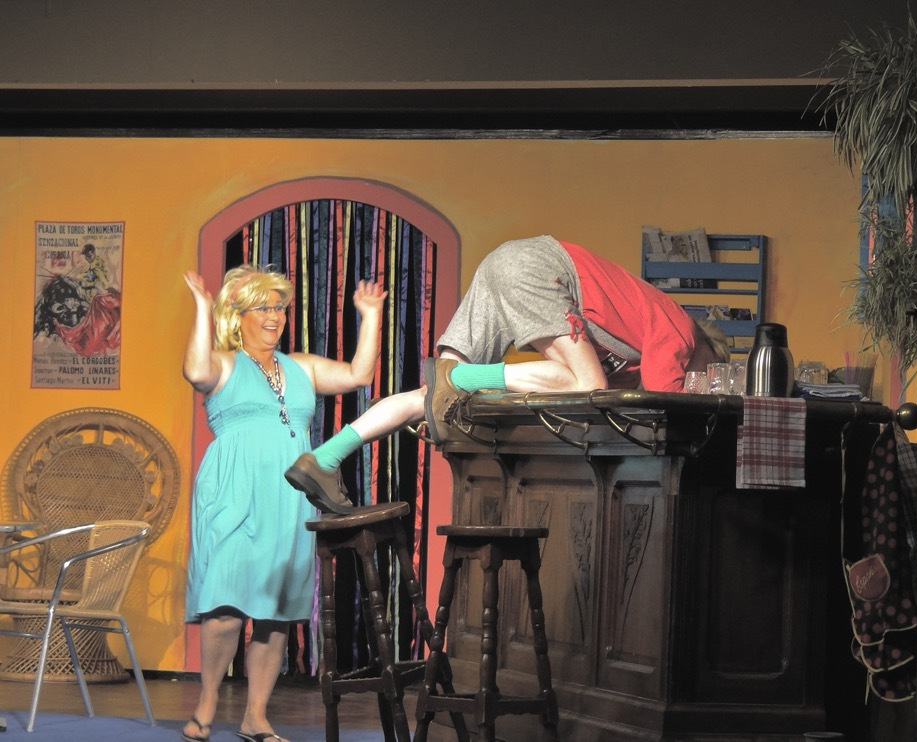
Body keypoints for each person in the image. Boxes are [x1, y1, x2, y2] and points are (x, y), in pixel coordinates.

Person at [284, 235, 729, 514]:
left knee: (432, 396)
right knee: (586, 386)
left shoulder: (633, 358)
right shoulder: (683, 332)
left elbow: (614, 402)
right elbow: (668, 407)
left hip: (505, 263)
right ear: (710, 351)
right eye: (712, 373)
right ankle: (464, 379)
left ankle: (325, 457)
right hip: (541, 266)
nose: (705, 382)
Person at [180, 265, 386, 742]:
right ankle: (207, 703)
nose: (274, 316)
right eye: (263, 307)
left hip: (289, 496)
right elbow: (195, 371)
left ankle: (255, 716)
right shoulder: (224, 363)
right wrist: (202, 308)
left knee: (274, 616)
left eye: (280, 307)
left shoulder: (300, 367)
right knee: (225, 604)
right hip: (233, 490)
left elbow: (358, 374)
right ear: (238, 315)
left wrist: (371, 315)